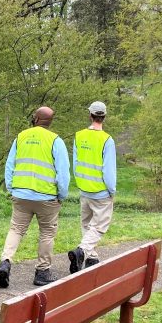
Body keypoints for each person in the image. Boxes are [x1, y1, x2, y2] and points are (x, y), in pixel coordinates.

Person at [0, 106, 70, 288]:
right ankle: (42, 271)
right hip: (47, 197)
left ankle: (5, 261)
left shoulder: (20, 137)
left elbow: (9, 165)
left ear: (35, 119)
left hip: (21, 195)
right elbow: (63, 173)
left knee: (16, 229)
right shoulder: (56, 141)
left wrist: (12, 188)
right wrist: (62, 195)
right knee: (46, 232)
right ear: (50, 122)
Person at [68, 101, 117, 273]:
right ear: (104, 116)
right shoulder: (107, 140)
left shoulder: (79, 136)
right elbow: (108, 170)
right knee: (99, 226)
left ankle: (91, 257)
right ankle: (82, 251)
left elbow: (75, 163)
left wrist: (80, 182)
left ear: (90, 115)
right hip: (101, 191)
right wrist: (112, 191)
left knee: (86, 223)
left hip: (84, 189)